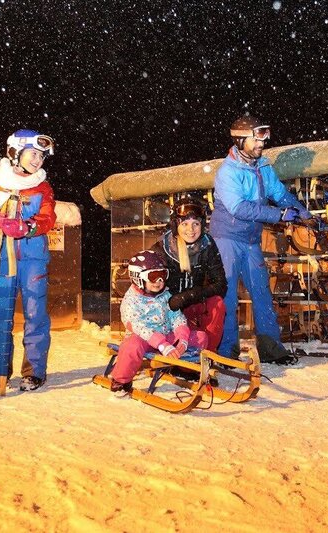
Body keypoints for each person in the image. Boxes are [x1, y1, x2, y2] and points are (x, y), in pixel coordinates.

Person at [209, 115, 312, 363]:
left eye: (263, 138)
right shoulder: (228, 172)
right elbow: (239, 208)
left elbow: (278, 193)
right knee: (228, 296)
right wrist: (279, 215)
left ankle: (270, 349)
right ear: (241, 139)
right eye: (257, 139)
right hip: (227, 239)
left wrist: (303, 213)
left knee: (262, 293)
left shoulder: (262, 167)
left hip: (250, 239)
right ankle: (226, 352)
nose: (261, 144)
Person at [0, 129, 57, 391]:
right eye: (33, 154)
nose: (37, 160)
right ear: (15, 152)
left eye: (41, 156)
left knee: (35, 314)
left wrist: (27, 227)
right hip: (1, 256)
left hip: (33, 257)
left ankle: (34, 371)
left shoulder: (42, 186)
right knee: (0, 314)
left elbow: (48, 217)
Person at [112, 250, 209, 396]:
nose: (159, 281)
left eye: (163, 276)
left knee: (200, 337)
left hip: (166, 338)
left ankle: (182, 369)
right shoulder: (130, 301)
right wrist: (162, 345)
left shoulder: (166, 295)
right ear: (138, 277)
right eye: (153, 276)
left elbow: (176, 316)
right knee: (131, 346)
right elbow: (138, 327)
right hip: (144, 340)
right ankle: (121, 380)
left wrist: (182, 339)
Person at [149, 197, 227, 352]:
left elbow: (220, 285)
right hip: (168, 309)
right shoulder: (162, 249)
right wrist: (171, 300)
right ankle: (176, 350)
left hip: (192, 304)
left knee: (217, 303)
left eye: (195, 224)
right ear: (176, 225)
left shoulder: (208, 245)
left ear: (202, 225)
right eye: (184, 224)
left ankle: (208, 355)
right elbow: (149, 287)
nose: (191, 230)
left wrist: (189, 296)